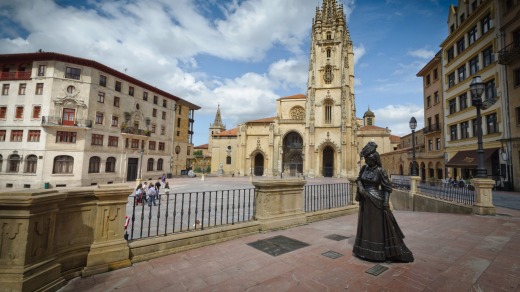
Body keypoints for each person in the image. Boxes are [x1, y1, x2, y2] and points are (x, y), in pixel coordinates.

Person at [353, 141, 414, 263]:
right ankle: (364, 250)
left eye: (368, 159)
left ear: (374, 159)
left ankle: (377, 252)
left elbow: (387, 188)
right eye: (365, 159)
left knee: (376, 228)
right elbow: (359, 179)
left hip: (376, 201)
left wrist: (385, 202)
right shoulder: (364, 169)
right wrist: (360, 187)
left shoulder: (380, 171)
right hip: (365, 202)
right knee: (366, 226)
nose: (366, 161)